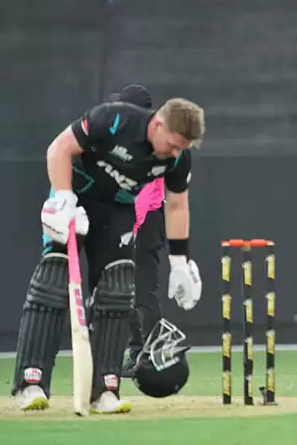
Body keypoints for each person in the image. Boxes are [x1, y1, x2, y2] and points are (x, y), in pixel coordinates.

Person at [11, 92, 205, 414]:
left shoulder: (176, 157)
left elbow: (176, 204)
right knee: (53, 280)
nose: (174, 153)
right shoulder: (114, 119)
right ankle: (31, 383)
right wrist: (63, 199)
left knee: (117, 289)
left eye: (181, 149)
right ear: (158, 124)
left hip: (117, 209)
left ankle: (105, 388)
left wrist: (180, 262)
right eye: (172, 145)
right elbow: (59, 149)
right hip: (74, 195)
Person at [104, 85, 202, 379]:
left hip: (146, 220)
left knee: (142, 288)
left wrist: (179, 262)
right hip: (126, 220)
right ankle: (137, 351)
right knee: (124, 289)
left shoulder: (158, 146)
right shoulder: (127, 138)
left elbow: (156, 199)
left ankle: (152, 353)